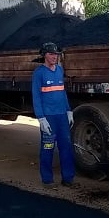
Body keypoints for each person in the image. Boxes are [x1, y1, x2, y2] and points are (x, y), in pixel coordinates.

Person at [31, 42, 76, 188]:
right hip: (49, 118)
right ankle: (47, 179)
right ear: (44, 55)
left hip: (62, 116)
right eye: (51, 54)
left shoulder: (59, 70)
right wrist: (41, 118)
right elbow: (36, 97)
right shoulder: (39, 73)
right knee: (48, 147)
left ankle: (68, 178)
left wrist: (68, 110)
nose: (54, 57)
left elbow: (62, 92)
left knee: (66, 147)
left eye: (56, 54)